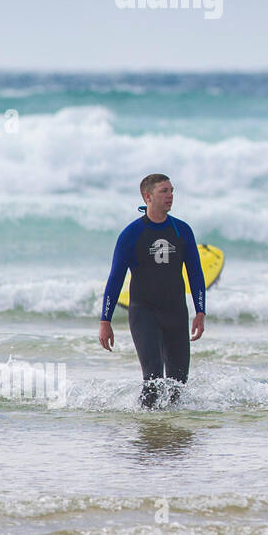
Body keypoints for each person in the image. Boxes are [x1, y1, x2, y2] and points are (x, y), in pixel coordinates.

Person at [99, 174, 206, 408]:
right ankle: (149, 433)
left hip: (176, 311)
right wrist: (105, 320)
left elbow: (196, 274)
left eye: (171, 191)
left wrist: (200, 312)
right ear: (148, 196)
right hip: (143, 312)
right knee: (153, 379)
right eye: (164, 191)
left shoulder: (182, 230)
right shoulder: (131, 234)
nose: (170, 196)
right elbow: (115, 278)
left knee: (179, 383)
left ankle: (173, 437)